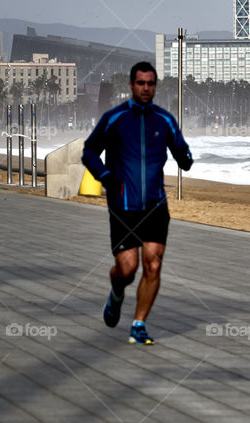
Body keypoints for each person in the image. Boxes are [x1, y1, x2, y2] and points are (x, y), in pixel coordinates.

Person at [82, 62, 193, 345]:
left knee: (152, 267)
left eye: (151, 83)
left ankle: (139, 323)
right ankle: (116, 293)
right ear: (131, 85)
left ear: (155, 86)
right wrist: (105, 175)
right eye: (141, 83)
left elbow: (181, 149)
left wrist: (185, 157)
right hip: (123, 207)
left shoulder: (164, 120)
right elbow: (90, 151)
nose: (146, 88)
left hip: (155, 206)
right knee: (127, 269)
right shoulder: (114, 118)